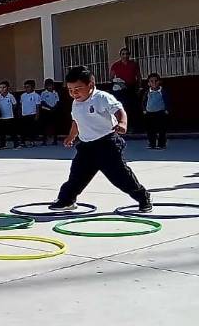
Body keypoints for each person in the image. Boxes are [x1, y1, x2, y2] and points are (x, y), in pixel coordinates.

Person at [50, 65, 152, 213]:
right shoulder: (75, 103)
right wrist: (71, 136)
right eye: (70, 90)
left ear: (91, 84)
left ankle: (143, 197)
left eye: (77, 89)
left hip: (107, 144)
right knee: (76, 176)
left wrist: (122, 123)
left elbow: (119, 111)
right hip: (86, 147)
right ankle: (66, 200)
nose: (74, 93)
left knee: (120, 177)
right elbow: (76, 122)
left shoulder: (102, 97)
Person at [110, 47, 142, 120]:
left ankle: (134, 126)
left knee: (133, 107)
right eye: (123, 54)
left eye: (127, 54)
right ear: (120, 55)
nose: (125, 56)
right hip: (121, 88)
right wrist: (118, 83)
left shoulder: (134, 64)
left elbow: (139, 76)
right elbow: (111, 78)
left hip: (132, 87)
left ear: (129, 55)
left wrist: (139, 87)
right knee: (123, 106)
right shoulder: (116, 65)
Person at [142, 72, 169, 150]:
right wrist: (144, 109)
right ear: (148, 83)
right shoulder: (147, 92)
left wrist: (167, 109)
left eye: (156, 81)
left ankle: (162, 144)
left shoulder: (162, 91)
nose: (154, 83)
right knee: (150, 130)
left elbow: (167, 100)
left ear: (159, 82)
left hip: (160, 112)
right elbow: (144, 101)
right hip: (149, 113)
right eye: (151, 81)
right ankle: (152, 143)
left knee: (162, 129)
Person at [0, 80, 18, 149]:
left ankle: (16, 144)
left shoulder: (10, 96)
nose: (2, 89)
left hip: (10, 116)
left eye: (4, 87)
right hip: (1, 117)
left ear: (7, 88)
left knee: (12, 132)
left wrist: (11, 111)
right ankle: (3, 144)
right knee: (2, 132)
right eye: (0, 87)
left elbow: (15, 105)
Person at [19, 80, 41, 147]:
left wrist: (37, 115)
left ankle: (32, 141)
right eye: (25, 87)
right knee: (23, 129)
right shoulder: (23, 95)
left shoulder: (36, 95)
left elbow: (38, 106)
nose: (26, 88)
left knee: (31, 129)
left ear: (33, 87)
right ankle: (22, 142)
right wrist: (20, 113)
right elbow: (21, 105)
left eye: (28, 87)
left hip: (32, 114)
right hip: (24, 114)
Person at [40, 78, 60, 146]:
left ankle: (55, 140)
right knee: (45, 126)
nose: (50, 87)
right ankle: (44, 140)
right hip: (46, 110)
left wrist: (54, 108)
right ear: (45, 86)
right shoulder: (43, 93)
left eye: (51, 85)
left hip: (54, 111)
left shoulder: (55, 93)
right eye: (48, 85)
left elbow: (57, 101)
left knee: (54, 125)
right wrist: (50, 107)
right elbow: (42, 102)